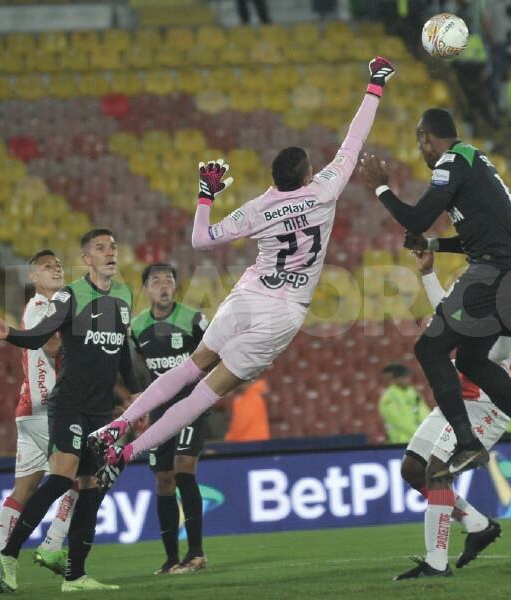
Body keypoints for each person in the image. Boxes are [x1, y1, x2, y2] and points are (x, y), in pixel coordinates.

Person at [89, 57, 395, 490]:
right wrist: (375, 84)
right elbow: (354, 138)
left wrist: (206, 195)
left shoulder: (257, 210)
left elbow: (201, 239)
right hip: (284, 312)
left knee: (193, 365)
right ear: (308, 174)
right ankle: (126, 454)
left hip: (250, 294)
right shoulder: (325, 190)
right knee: (204, 394)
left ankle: (116, 427)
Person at [360, 107, 511, 486]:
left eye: (420, 143)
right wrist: (432, 245)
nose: (420, 151)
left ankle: (468, 443)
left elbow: (417, 218)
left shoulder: (452, 161)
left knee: (429, 349)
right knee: (471, 360)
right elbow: (478, 233)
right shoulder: (475, 161)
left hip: (494, 271)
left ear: (426, 138)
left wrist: (381, 188)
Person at [0, 229, 141, 592]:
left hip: (100, 410)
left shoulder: (123, 295)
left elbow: (122, 352)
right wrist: (9, 333)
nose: (109, 252)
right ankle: (7, 556)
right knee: (62, 478)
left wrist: (136, 393)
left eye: (113, 246)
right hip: (69, 404)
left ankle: (75, 577)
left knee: (91, 486)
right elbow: (41, 333)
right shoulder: (71, 294)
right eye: (100, 248)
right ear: (87, 259)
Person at [395, 249, 511, 579]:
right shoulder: (470, 296)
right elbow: (447, 312)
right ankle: (478, 524)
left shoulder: (507, 306)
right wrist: (428, 274)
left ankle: (436, 563)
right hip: (456, 401)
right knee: (412, 469)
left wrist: (457, 328)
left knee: (438, 471)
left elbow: (499, 353)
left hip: (485, 404)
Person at [0, 250, 78, 576]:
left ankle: (2, 558)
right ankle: (53, 544)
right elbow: (51, 345)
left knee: (24, 489)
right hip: (47, 409)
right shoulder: (41, 307)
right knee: (81, 475)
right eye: (47, 267)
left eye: (58, 265)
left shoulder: (46, 307)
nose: (56, 269)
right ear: (33, 277)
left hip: (29, 410)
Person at [130, 263, 209, 575]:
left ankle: (197, 553)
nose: (163, 285)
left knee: (184, 467)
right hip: (161, 410)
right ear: (146, 289)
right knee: (163, 478)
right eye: (156, 281)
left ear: (175, 286)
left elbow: (214, 353)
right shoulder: (137, 327)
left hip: (192, 404)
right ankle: (171, 558)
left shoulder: (193, 319)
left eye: (168, 280)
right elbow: (136, 366)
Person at [378, 363, 429, 444]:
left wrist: (427, 430)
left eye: (407, 377)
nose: (406, 380)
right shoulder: (389, 397)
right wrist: (419, 434)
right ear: (395, 379)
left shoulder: (413, 392)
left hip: (419, 438)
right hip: (400, 440)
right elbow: (398, 421)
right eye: (403, 377)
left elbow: (424, 412)